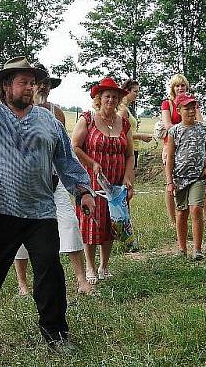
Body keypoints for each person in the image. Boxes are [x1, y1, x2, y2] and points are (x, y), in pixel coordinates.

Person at [0, 48, 95, 350]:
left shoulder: (47, 120)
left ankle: (55, 335)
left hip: (40, 210)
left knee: (50, 272)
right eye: (23, 82)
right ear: (6, 86)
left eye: (32, 83)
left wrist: (82, 190)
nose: (30, 88)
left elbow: (66, 160)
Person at [13, 64, 93, 296]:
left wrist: (78, 186)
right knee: (19, 230)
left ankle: (81, 279)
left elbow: (62, 150)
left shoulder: (55, 112)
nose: (44, 88)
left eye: (48, 84)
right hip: (24, 183)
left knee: (69, 223)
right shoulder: (15, 111)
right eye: (40, 83)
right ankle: (23, 284)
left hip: (54, 180)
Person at [72, 77, 135, 283]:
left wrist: (128, 177)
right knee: (91, 223)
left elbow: (129, 155)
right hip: (92, 181)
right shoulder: (87, 119)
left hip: (115, 183)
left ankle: (104, 266)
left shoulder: (124, 123)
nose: (111, 100)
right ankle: (90, 267)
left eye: (115, 97)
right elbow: (75, 146)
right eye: (107, 96)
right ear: (99, 98)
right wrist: (91, 163)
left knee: (111, 222)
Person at [160, 74, 206, 228]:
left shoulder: (193, 102)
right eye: (177, 86)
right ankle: (173, 220)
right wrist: (185, 128)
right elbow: (168, 125)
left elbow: (200, 122)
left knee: (203, 181)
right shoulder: (167, 104)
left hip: (194, 146)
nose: (180, 88)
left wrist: (193, 128)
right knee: (172, 183)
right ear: (172, 88)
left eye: (183, 85)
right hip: (173, 146)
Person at [164, 93, 206, 260]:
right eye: (187, 108)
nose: (191, 111)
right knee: (181, 212)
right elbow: (170, 157)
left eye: (193, 108)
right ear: (179, 110)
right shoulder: (174, 131)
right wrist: (169, 181)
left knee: (196, 209)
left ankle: (198, 249)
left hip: (198, 177)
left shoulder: (204, 129)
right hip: (180, 178)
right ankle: (182, 248)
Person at [118, 79, 154, 169]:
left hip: (132, 149)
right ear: (126, 91)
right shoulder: (122, 110)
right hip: (128, 150)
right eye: (135, 91)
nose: (137, 94)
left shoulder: (126, 108)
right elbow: (120, 134)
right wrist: (141, 136)